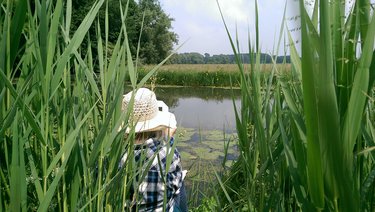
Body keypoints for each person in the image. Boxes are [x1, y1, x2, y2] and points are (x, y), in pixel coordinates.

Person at [119, 88, 187, 212]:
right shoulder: (167, 152)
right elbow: (174, 180)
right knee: (180, 182)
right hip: (164, 209)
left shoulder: (118, 155)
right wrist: (168, 138)